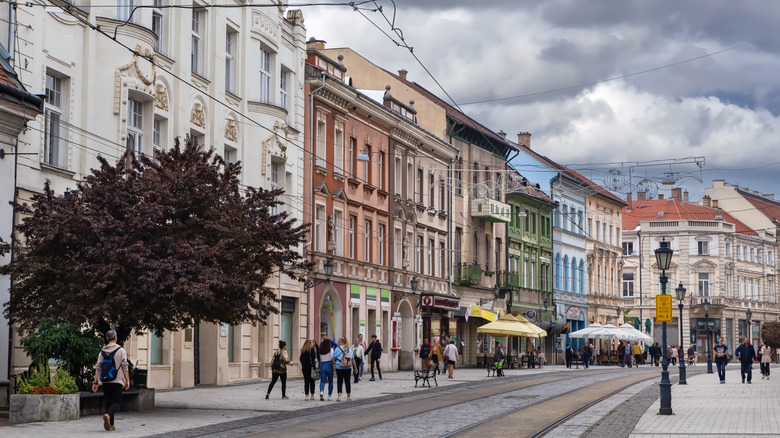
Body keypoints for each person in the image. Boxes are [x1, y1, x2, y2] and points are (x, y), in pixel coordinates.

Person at [92, 330, 130, 432]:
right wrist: (127, 380)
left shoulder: (102, 352)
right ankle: (108, 415)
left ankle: (111, 425)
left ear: (107, 339)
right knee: (116, 402)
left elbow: (98, 368)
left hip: (105, 381)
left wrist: (95, 382)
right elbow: (125, 366)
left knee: (108, 401)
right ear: (116, 338)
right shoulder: (121, 350)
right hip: (117, 380)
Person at [332, 337, 353, 402]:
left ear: (341, 342)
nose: (338, 342)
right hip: (348, 367)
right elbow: (352, 357)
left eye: (339, 341)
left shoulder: (337, 349)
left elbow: (333, 357)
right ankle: (348, 396)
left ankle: (339, 396)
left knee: (340, 381)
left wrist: (334, 361)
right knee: (347, 381)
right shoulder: (349, 349)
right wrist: (355, 368)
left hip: (339, 367)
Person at [318, 333, 335, 400]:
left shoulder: (320, 350)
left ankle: (322, 391)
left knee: (322, 381)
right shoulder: (331, 350)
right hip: (329, 365)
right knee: (330, 381)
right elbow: (332, 358)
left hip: (322, 365)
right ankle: (329, 396)